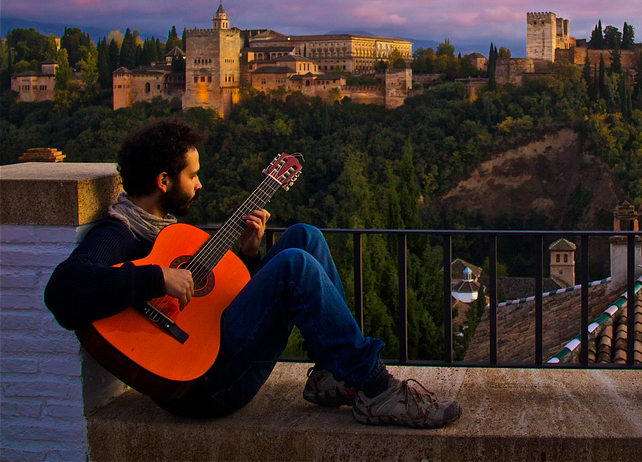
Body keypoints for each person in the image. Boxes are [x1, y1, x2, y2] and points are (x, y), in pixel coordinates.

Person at [44, 118, 460, 429]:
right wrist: (157, 279)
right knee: (294, 266)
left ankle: (328, 375)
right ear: (164, 180)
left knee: (304, 237)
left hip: (215, 351)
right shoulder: (120, 231)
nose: (200, 185)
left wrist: (249, 256)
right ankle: (375, 389)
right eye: (193, 175)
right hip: (202, 386)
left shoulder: (163, 231)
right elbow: (62, 291)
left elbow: (212, 305)